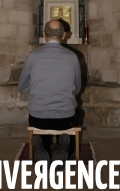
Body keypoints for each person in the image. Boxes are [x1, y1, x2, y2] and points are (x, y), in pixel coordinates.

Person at [18, 19, 82, 165]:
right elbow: (77, 89)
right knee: (75, 115)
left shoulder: (33, 56)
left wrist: (37, 88)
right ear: (64, 35)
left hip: (38, 116)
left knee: (40, 121)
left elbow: (22, 87)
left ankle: (42, 146)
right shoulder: (72, 57)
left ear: (44, 35)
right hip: (65, 117)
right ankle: (65, 146)